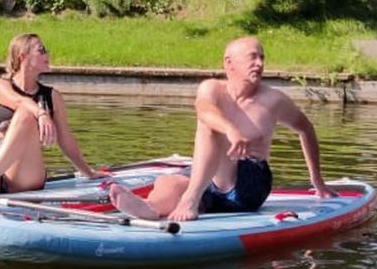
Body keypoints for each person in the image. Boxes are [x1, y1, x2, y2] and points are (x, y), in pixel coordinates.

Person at [109, 36, 331, 222]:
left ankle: (191, 200)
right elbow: (204, 110)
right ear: (229, 63)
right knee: (169, 181)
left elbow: (306, 130)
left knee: (212, 132)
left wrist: (317, 181)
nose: (260, 63)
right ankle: (151, 208)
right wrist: (232, 129)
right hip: (211, 181)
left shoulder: (274, 100)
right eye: (252, 57)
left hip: (248, 185)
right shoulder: (211, 89)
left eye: (262, 57)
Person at [0, 32, 99, 195]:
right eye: (41, 50)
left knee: (25, 116)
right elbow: (19, 101)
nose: (47, 54)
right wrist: (41, 113)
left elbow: (66, 142)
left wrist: (89, 173)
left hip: (25, 169)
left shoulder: (53, 97)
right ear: (22, 56)